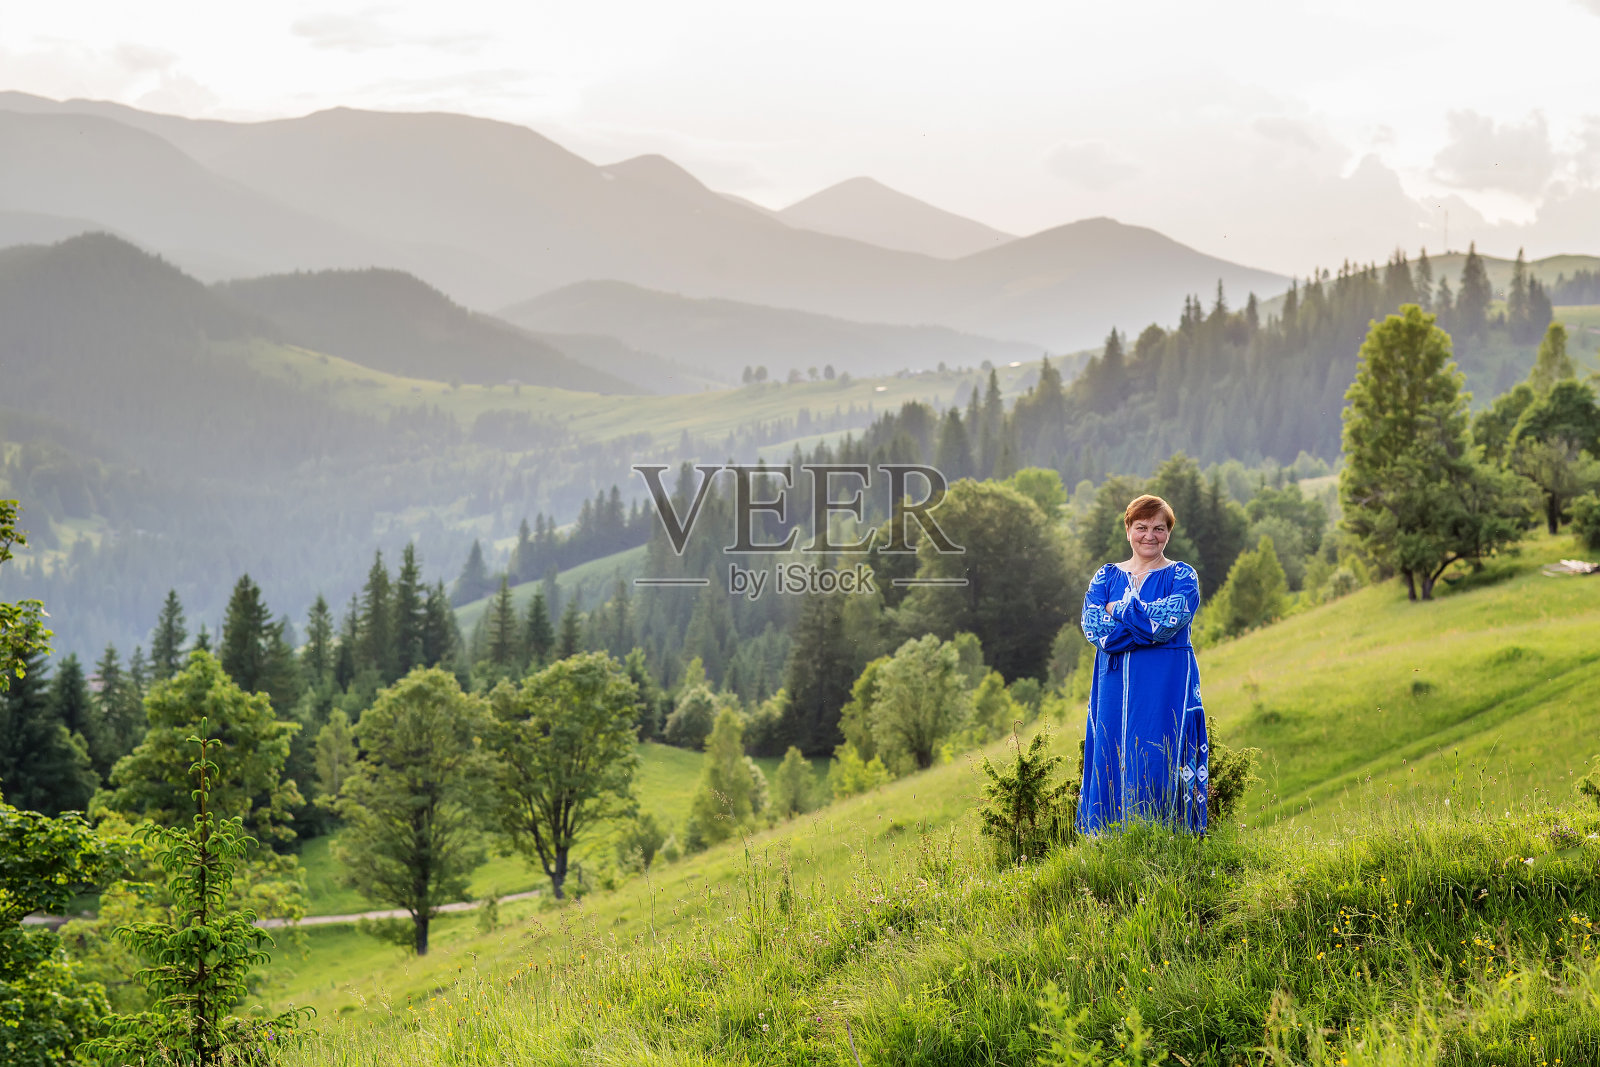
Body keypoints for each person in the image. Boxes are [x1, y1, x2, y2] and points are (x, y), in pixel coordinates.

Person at [1077, 494, 1207, 834]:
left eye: (1159, 528)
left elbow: (1166, 624)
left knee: (1159, 756)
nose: (1150, 536)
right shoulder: (1106, 577)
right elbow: (1096, 630)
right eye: (1142, 527)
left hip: (1165, 686)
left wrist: (1118, 610)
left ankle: (1164, 840)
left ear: (1169, 533)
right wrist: (1144, 624)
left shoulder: (1182, 576)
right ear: (1128, 530)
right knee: (1109, 755)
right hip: (1112, 689)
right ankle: (1107, 842)